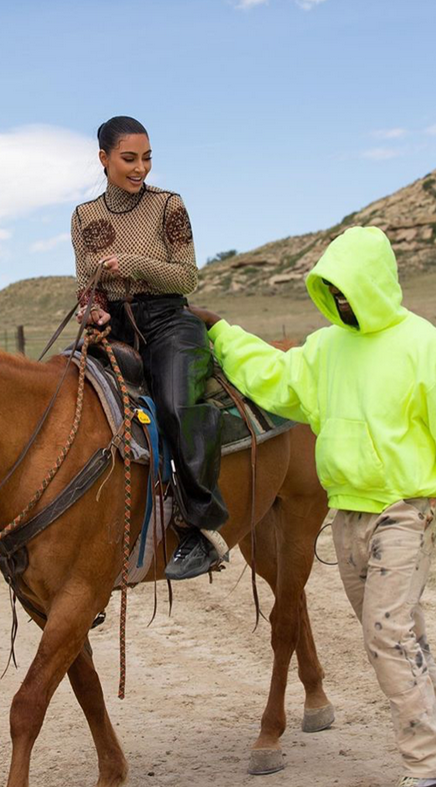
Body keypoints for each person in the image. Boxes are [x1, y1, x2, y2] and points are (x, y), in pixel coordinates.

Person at [198, 226, 436, 787]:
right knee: (403, 636)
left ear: (375, 283)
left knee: (387, 636)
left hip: (405, 510)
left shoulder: (421, 344)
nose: (344, 299)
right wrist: (224, 334)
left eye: (351, 288)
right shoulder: (327, 347)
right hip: (346, 516)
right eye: (334, 289)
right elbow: (277, 381)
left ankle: (424, 768)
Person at [71, 115, 228, 580]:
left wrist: (135, 263)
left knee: (178, 405)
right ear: (103, 159)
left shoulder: (168, 206)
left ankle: (203, 528)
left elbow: (186, 276)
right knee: (67, 397)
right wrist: (92, 310)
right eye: (129, 159)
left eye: (147, 158)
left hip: (167, 322)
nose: (140, 168)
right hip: (114, 328)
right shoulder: (84, 216)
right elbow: (87, 285)